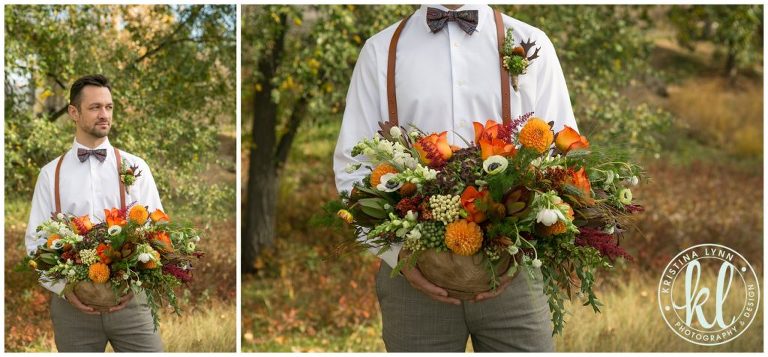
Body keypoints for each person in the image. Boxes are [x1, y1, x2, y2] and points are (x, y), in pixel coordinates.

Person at [333, 4, 579, 352]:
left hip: (514, 278)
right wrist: (397, 255)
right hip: (414, 280)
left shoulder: (530, 42)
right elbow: (352, 165)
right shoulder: (380, 51)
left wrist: (528, 244)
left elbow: (560, 154)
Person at [25, 74, 164, 352]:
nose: (104, 114)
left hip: (131, 304)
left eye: (109, 107)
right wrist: (63, 288)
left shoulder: (135, 167)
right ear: (73, 113)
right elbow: (35, 244)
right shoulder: (51, 174)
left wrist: (138, 279)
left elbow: (157, 233)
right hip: (72, 310)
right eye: (95, 107)